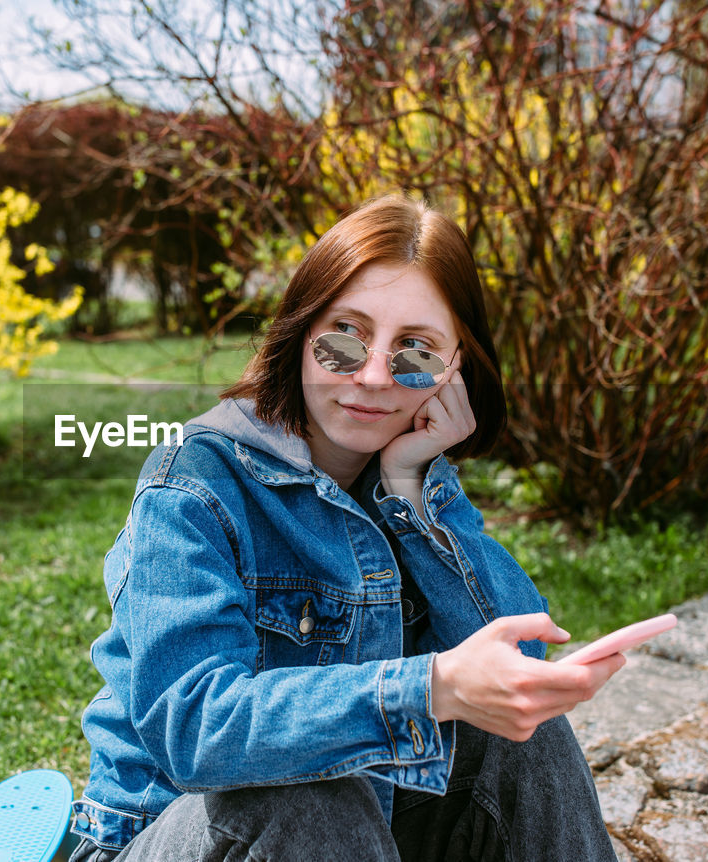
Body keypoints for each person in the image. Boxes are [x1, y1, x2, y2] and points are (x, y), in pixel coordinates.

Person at [67, 195, 625, 862]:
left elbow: (519, 665)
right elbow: (194, 731)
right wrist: (432, 688)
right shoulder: (193, 482)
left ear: (455, 372)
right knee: (302, 788)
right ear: (302, 333)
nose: (372, 375)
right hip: (181, 836)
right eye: (344, 339)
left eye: (414, 352)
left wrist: (413, 495)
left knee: (518, 734)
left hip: (359, 834)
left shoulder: (408, 476)